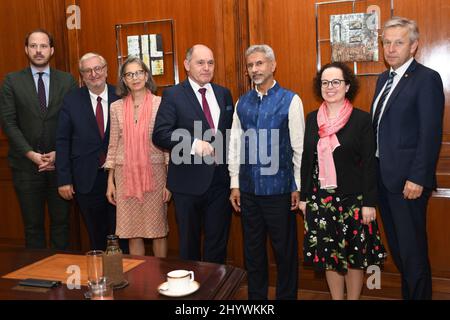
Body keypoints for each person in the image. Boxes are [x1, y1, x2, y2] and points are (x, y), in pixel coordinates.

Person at [371, 17, 444, 300]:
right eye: (386, 42)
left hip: (408, 185)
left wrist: (417, 177)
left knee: (412, 255)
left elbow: (430, 134)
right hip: (384, 181)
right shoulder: (382, 79)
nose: (390, 48)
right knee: (400, 253)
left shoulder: (426, 79)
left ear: (413, 46)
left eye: (398, 42)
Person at [300, 62, 386, 300]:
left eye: (336, 82)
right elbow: (308, 161)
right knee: (329, 257)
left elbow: (370, 164)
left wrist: (370, 202)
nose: (330, 87)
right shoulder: (311, 119)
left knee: (354, 258)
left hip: (354, 202)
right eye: (325, 82)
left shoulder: (361, 120)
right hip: (321, 201)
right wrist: (305, 197)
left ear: (347, 86)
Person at [228, 44, 304, 300]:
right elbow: (235, 145)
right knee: (253, 252)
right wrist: (235, 183)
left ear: (273, 65)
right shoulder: (242, 103)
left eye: (259, 63)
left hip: (279, 190)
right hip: (249, 191)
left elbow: (299, 148)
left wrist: (297, 185)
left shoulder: (291, 100)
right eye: (250, 65)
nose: (254, 69)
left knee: (285, 252)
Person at [153, 44, 234, 263]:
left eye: (210, 62)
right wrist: (192, 144)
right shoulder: (172, 94)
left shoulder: (223, 94)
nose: (206, 67)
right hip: (187, 184)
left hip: (220, 181)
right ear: (187, 65)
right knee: (189, 247)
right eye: (200, 62)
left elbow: (230, 135)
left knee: (217, 244)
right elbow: (160, 134)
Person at [0, 29, 77, 249]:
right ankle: (38, 278)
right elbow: (8, 123)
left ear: (51, 50)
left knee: (61, 225)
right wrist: (32, 155)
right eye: (33, 46)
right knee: (32, 226)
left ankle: (61, 276)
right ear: (26, 50)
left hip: (59, 167)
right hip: (25, 166)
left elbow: (74, 122)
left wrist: (58, 154)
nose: (38, 50)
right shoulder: (12, 81)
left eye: (43, 46)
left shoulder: (67, 80)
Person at [56, 53, 127, 252]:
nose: (93, 74)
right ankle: (103, 278)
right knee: (97, 235)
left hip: (120, 177)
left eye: (98, 68)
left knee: (122, 235)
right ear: (82, 75)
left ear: (106, 70)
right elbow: (62, 141)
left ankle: (125, 278)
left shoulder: (121, 96)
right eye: (88, 71)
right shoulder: (71, 101)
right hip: (86, 178)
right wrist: (64, 179)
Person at [105, 56, 171, 257]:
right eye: (129, 74)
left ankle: (160, 278)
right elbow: (113, 145)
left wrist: (170, 182)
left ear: (146, 75)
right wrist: (110, 181)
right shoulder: (115, 107)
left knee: (158, 232)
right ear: (123, 80)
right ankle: (141, 282)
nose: (135, 78)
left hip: (156, 175)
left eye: (139, 72)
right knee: (132, 233)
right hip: (125, 177)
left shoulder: (161, 104)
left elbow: (168, 144)